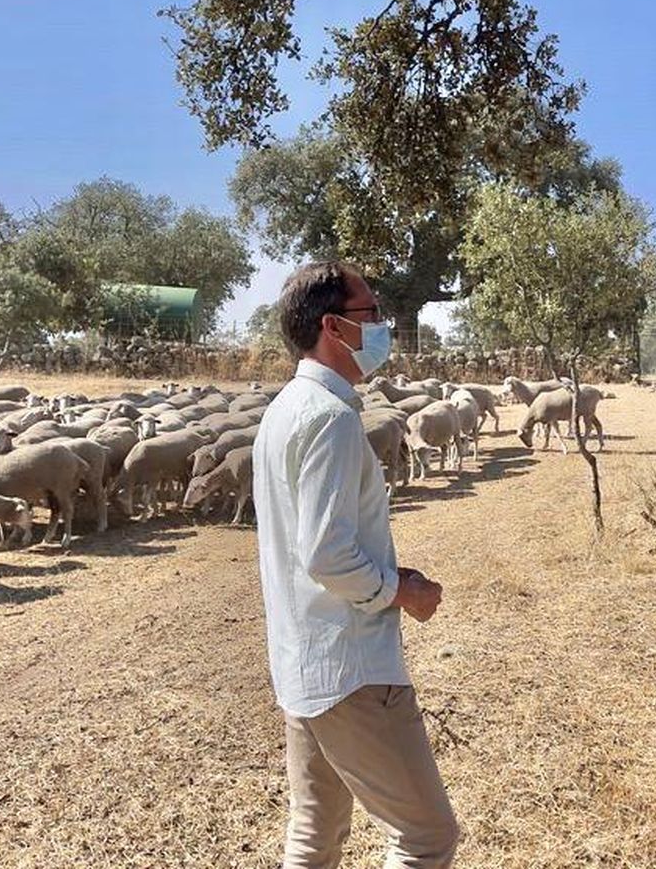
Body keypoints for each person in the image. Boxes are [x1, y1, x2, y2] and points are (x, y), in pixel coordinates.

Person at [252, 260, 460, 869]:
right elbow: (328, 553)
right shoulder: (331, 419)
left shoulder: (285, 410)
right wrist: (404, 590)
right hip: (352, 668)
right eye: (371, 314)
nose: (382, 327)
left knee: (315, 831)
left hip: (303, 660)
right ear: (333, 327)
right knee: (426, 837)